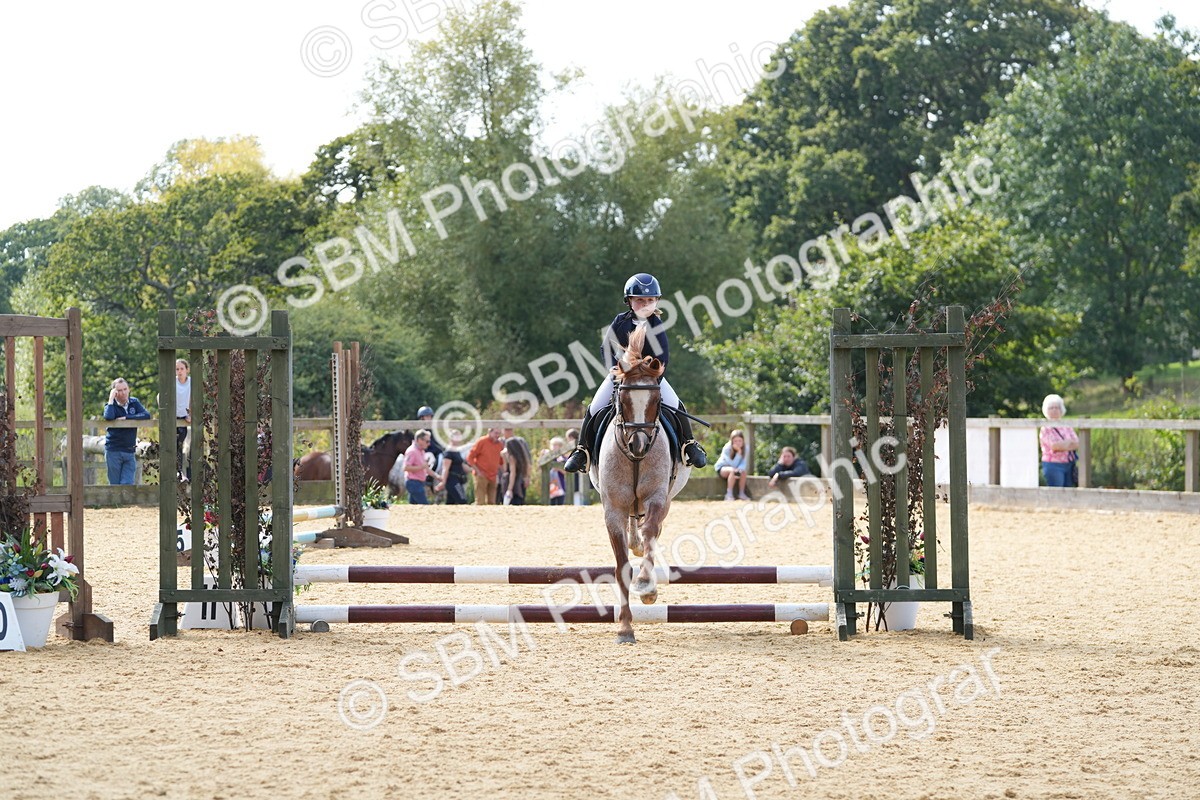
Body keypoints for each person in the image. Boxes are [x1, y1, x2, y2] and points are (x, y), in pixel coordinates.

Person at [562, 273, 707, 473]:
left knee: (675, 404)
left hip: (651, 379)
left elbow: (662, 356)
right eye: (640, 300)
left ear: (656, 301)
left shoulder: (656, 325)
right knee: (595, 407)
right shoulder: (620, 322)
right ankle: (582, 451)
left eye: (650, 300)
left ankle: (689, 444)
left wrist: (652, 376)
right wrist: (617, 373)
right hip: (621, 377)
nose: (645, 304)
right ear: (629, 301)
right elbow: (606, 350)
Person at [103, 378, 151, 485]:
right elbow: (108, 416)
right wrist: (111, 400)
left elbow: (146, 415)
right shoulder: (110, 406)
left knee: (127, 484)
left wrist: (127, 418)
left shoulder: (134, 402)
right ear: (114, 392)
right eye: (119, 390)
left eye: (125, 389)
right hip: (113, 450)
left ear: (129, 389)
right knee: (115, 485)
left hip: (129, 450)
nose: (123, 393)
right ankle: (116, 503)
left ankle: (124, 502)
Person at [1040, 393, 1079, 487]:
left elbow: (1077, 443)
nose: (1054, 410)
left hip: (1069, 464)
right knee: (1056, 493)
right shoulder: (1046, 428)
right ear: (1046, 410)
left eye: (1056, 407)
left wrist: (1065, 444)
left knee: (1069, 493)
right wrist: (1069, 443)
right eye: (1051, 408)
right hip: (1053, 465)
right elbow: (1055, 446)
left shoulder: (1066, 426)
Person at [401, 430, 443, 504]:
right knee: (424, 505)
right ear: (419, 440)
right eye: (427, 441)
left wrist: (437, 476)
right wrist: (421, 467)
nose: (429, 444)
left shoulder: (421, 451)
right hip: (413, 483)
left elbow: (426, 468)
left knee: (413, 507)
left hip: (418, 483)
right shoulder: (412, 451)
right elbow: (405, 468)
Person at [467, 428, 504, 505]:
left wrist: (502, 473)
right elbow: (470, 457)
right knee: (480, 501)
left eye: (499, 434)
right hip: (481, 475)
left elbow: (501, 461)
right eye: (496, 433)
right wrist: (477, 471)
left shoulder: (499, 444)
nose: (497, 436)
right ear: (489, 432)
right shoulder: (482, 441)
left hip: (493, 476)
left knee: (492, 502)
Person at [714, 429, 749, 501]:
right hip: (722, 468)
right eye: (735, 441)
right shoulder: (727, 448)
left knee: (743, 472)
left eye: (740, 441)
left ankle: (741, 493)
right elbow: (732, 464)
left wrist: (740, 470)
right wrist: (739, 452)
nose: (738, 443)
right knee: (733, 471)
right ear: (732, 441)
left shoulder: (746, 448)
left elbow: (743, 463)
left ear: (743, 441)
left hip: (735, 468)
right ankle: (729, 494)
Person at [416, 405, 444, 498]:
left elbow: (436, 441)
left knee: (441, 457)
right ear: (422, 418)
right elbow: (427, 444)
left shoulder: (432, 429)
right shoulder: (421, 431)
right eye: (427, 416)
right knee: (431, 459)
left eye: (430, 416)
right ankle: (429, 479)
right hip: (426, 451)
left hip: (434, 450)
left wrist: (442, 447)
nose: (429, 418)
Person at [437, 430, 470, 505]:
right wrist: (443, 482)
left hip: (458, 479)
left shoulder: (456, 451)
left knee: (450, 503)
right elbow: (445, 468)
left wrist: (475, 470)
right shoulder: (449, 452)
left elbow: (461, 465)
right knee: (462, 500)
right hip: (452, 479)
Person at [173, 359, 192, 480]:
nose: (179, 372)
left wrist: (191, 413)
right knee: (174, 446)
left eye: (182, 369)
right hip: (173, 417)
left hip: (185, 417)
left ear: (187, 370)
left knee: (182, 445)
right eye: (177, 369)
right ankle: (177, 472)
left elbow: (195, 398)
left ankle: (184, 473)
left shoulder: (191, 382)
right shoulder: (172, 382)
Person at [502, 436, 532, 505]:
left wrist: (509, 489)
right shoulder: (523, 457)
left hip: (514, 484)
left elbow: (512, 473)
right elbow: (528, 466)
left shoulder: (512, 457)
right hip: (521, 481)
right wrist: (527, 477)